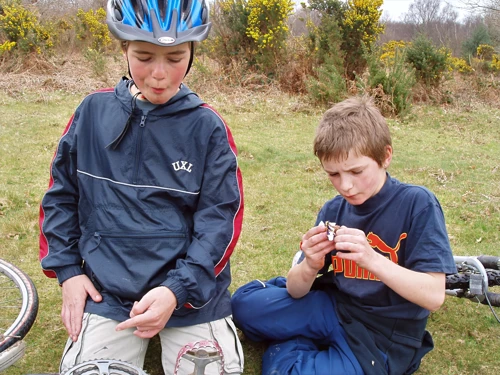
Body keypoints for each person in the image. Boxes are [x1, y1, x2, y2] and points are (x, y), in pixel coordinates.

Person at [38, 1, 244, 374]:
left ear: (193, 52)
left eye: (176, 57)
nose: (160, 75)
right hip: (109, 293)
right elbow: (60, 197)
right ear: (123, 49)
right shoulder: (91, 112)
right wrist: (68, 272)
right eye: (145, 57)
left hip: (190, 296)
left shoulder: (209, 128)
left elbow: (220, 223)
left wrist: (176, 290)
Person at [231, 96, 456, 375]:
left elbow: (434, 296)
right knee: (242, 306)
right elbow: (296, 289)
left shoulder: (417, 203)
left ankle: (292, 343)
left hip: (380, 335)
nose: (346, 186)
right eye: (333, 174)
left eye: (356, 171)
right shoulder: (333, 209)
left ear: (386, 156)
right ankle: (300, 336)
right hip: (333, 307)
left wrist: (372, 260)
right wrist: (310, 265)